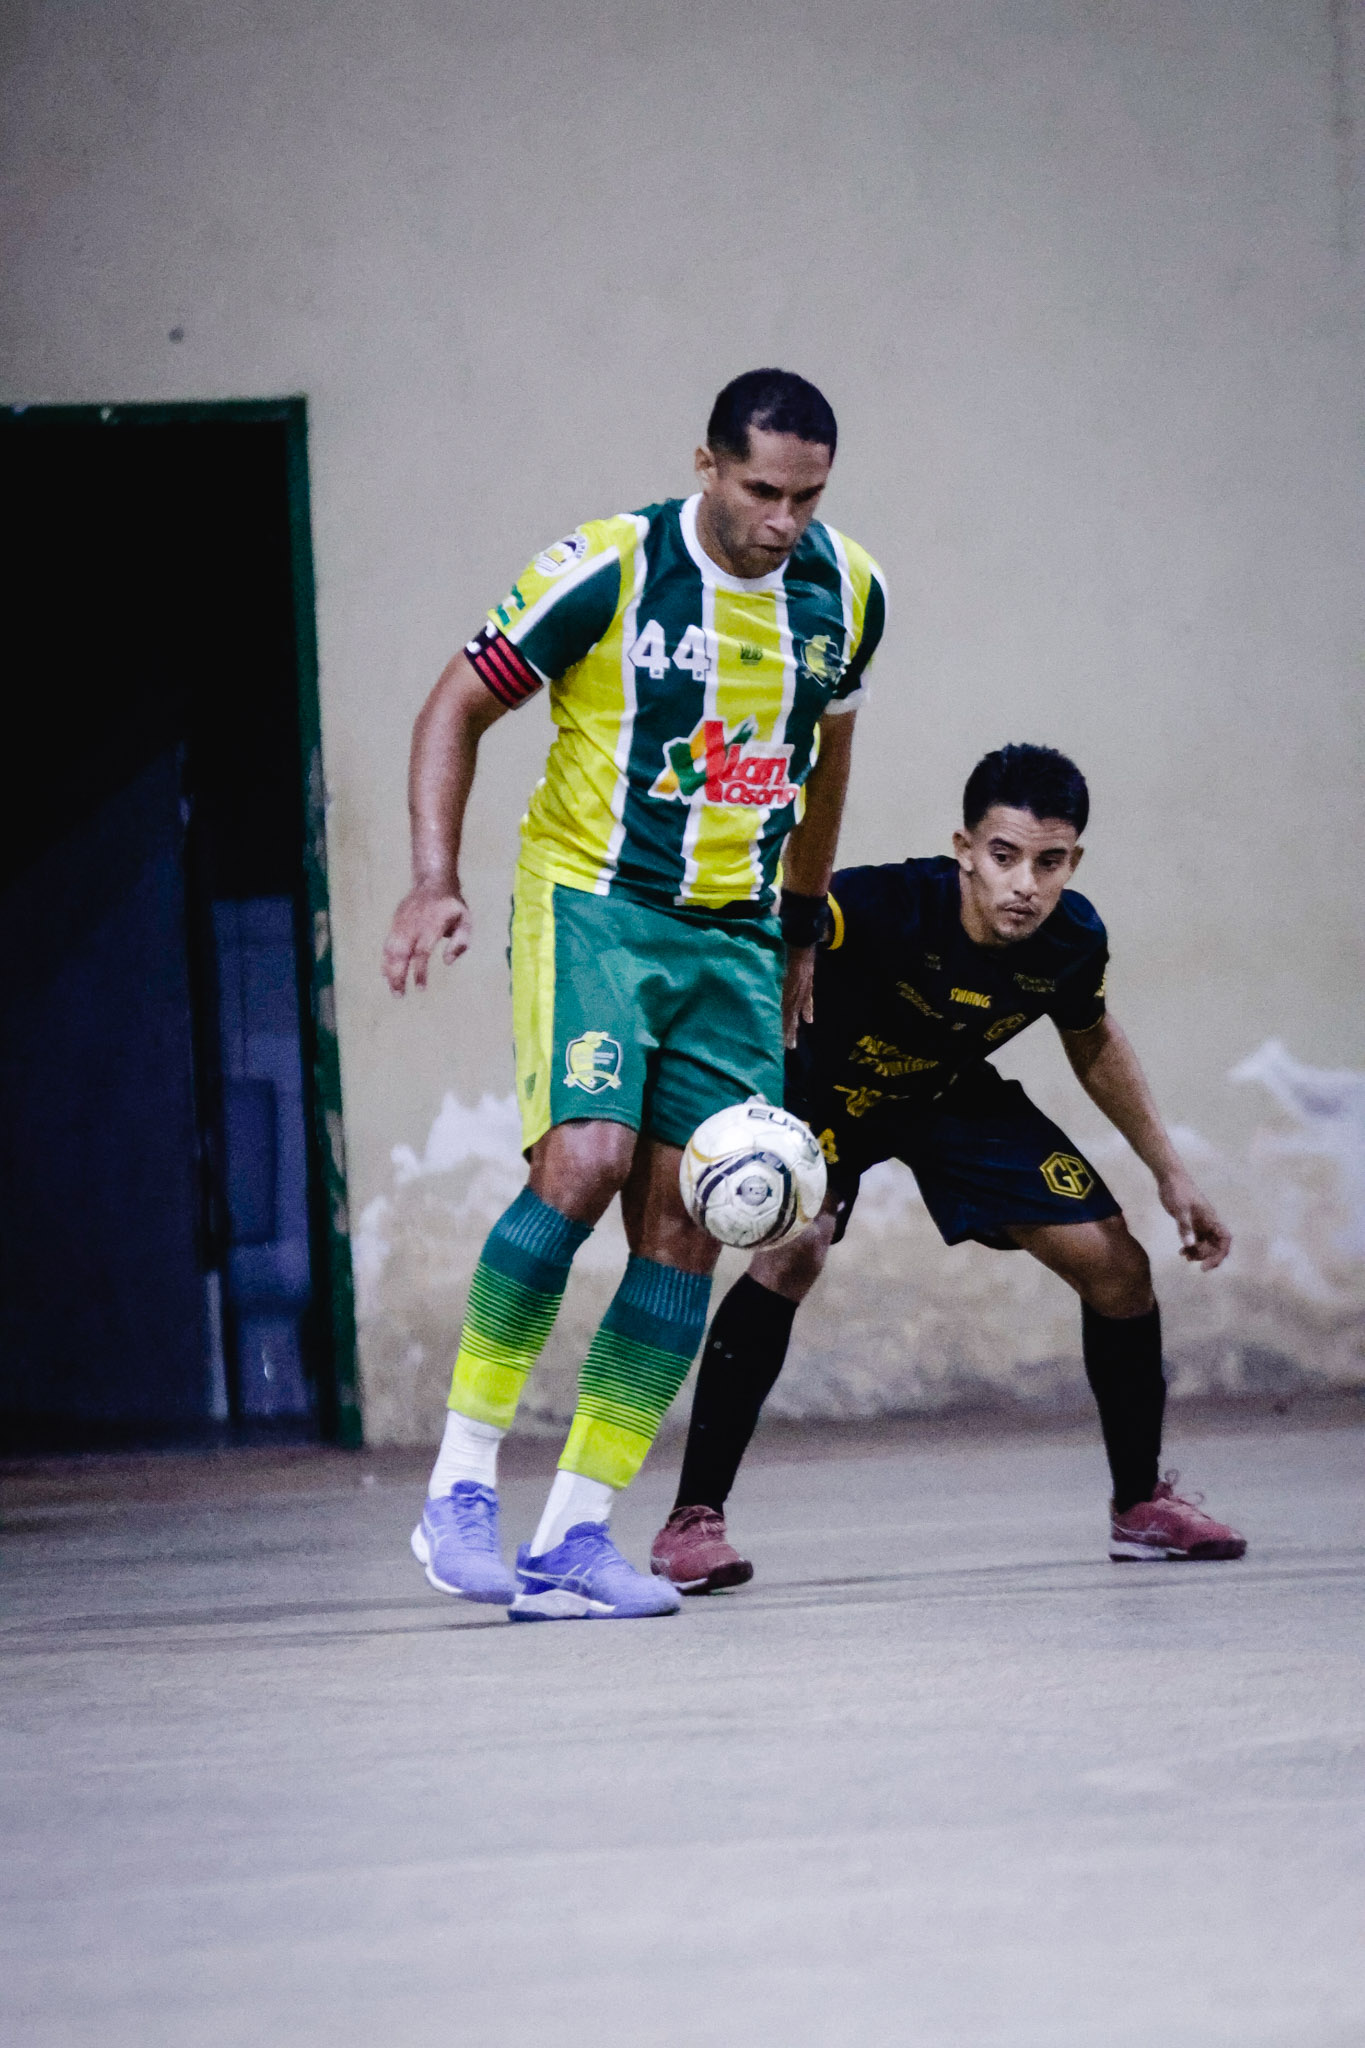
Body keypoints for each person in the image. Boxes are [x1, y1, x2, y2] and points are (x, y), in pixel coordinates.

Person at [383, 368, 888, 1620]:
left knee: (694, 1220)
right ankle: (457, 1489)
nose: (784, 520)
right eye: (762, 490)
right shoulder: (608, 566)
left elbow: (828, 761)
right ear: (707, 466)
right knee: (587, 1160)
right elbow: (456, 704)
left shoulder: (849, 591)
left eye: (808, 496)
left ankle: (575, 1531)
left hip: (736, 939)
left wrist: (802, 926)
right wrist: (434, 877)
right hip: (595, 905)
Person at [650, 743, 1247, 1593]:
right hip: (825, 1089)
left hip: (944, 1092)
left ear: (1072, 862)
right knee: (794, 1251)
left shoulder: (1070, 940)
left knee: (1117, 1267)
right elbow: (765, 932)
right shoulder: (877, 904)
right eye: (1003, 856)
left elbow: (1092, 1041)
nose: (1024, 885)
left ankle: (1139, 1506)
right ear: (963, 848)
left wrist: (1171, 1173)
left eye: (1048, 863)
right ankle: (692, 1520)